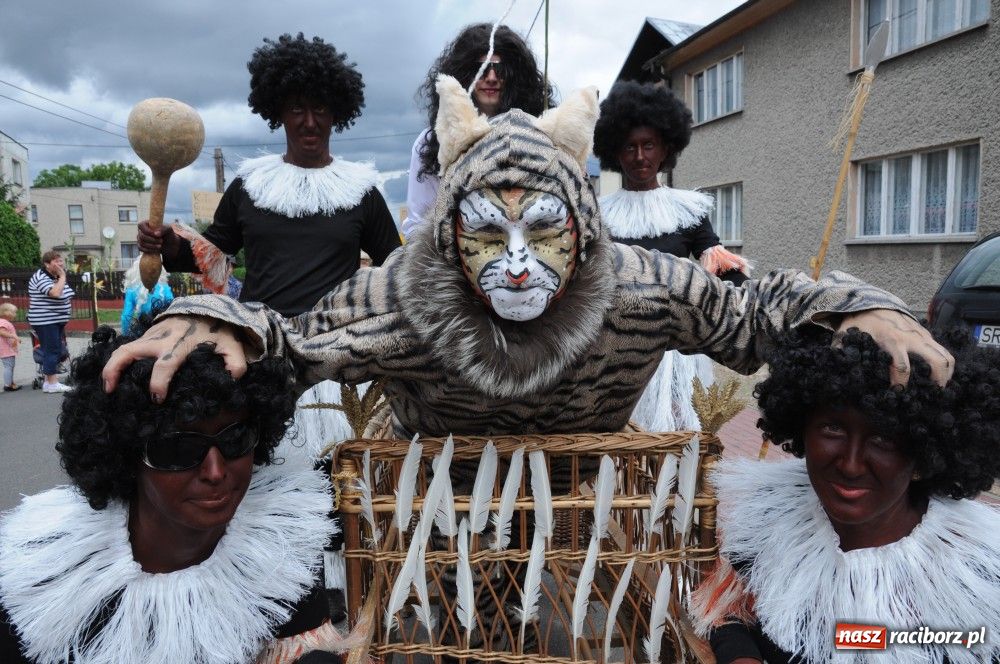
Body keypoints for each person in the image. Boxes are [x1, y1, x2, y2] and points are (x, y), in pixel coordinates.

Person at [101, 78, 953, 647]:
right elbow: (296, 338)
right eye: (486, 232)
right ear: (450, 232)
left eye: (542, 227)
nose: (516, 263)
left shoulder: (642, 286)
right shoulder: (403, 293)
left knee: (601, 633)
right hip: (442, 509)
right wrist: (220, 321)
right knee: (457, 636)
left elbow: (754, 313)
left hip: (591, 503)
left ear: (582, 226)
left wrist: (851, 301)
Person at [0, 318, 352, 664]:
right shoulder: (45, 577)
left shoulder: (279, 552)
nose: (215, 472)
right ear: (126, 452)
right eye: (179, 449)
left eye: (235, 439)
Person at [688, 328, 1000, 664]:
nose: (851, 465)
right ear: (802, 427)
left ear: (924, 454)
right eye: (833, 428)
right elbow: (731, 612)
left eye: (884, 440)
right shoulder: (770, 518)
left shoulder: (976, 575)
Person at [138, 32, 401, 319]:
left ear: (336, 114)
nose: (309, 122)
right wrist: (171, 244)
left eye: (320, 108)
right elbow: (210, 256)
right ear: (280, 113)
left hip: (333, 341)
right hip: (259, 340)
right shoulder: (250, 186)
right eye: (297, 108)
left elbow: (397, 267)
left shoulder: (360, 191)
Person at [593, 81, 750, 432]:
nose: (639, 157)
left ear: (665, 148)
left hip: (676, 355)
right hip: (615, 352)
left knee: (679, 441)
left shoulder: (689, 210)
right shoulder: (598, 215)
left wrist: (756, 307)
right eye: (629, 147)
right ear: (615, 153)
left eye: (648, 145)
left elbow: (722, 269)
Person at [404, 23, 554, 240]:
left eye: (500, 69)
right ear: (462, 74)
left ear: (515, 76)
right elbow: (418, 223)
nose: (491, 77)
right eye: (481, 69)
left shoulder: (541, 133)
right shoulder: (431, 142)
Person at [26, 250, 74, 394]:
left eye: (61, 260)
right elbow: (55, 293)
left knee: (54, 349)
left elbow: (67, 293)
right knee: (52, 350)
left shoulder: (55, 277)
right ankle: (52, 383)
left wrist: (60, 280)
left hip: (55, 319)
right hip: (45, 320)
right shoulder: (41, 277)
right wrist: (63, 276)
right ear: (47, 264)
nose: (60, 264)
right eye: (56, 261)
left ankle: (48, 382)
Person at [119, 262, 174, 335]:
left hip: (142, 333)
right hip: (163, 331)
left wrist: (125, 336)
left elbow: (126, 316)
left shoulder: (132, 290)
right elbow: (173, 310)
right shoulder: (164, 288)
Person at [0, 303, 19, 392]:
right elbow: (1, 332)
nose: (16, 315)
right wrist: (13, 336)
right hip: (6, 349)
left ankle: (10, 383)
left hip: (8, 349)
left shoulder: (5, 322)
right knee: (9, 366)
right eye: (14, 312)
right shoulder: (3, 322)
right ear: (6, 313)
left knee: (10, 366)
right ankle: (8, 385)